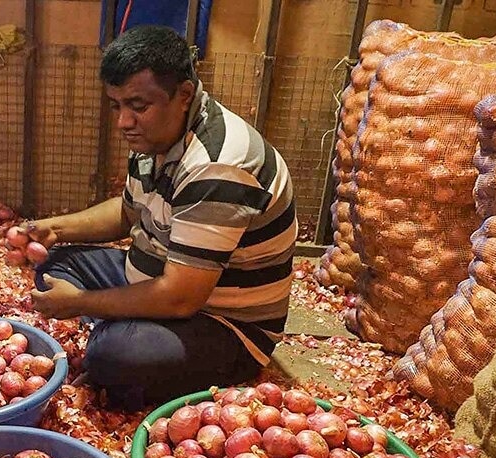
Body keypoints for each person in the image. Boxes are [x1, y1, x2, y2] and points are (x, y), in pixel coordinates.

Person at [27, 25, 297, 409]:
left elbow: (180, 299)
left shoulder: (217, 165)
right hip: (159, 274)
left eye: (137, 106)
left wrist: (82, 303)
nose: (123, 122)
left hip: (222, 323)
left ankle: (125, 336)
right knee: (53, 265)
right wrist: (53, 228)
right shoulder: (157, 136)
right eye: (116, 105)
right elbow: (126, 211)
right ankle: (121, 323)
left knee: (112, 358)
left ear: (184, 95)